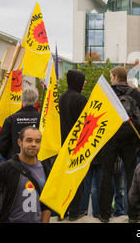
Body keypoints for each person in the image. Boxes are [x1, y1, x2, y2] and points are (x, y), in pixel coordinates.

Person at [99, 66, 140, 223]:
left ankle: (104, 213)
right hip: (130, 140)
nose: (110, 78)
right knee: (131, 176)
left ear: (116, 76)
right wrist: (138, 142)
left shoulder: (106, 93)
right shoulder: (136, 94)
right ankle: (132, 214)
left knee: (106, 175)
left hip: (110, 139)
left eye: (111, 75)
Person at [0, 126, 51, 223]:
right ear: (19, 142)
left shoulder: (45, 169)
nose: (34, 144)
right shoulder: (4, 169)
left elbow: (47, 203)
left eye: (37, 141)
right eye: (29, 140)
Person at [58, 69, 88, 221]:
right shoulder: (80, 99)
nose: (85, 83)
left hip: (63, 145)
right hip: (77, 145)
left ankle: (62, 211)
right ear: (77, 81)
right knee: (77, 179)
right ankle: (75, 212)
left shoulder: (62, 98)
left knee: (64, 179)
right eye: (83, 80)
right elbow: (86, 124)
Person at [0, 87, 41, 160]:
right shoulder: (43, 119)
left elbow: (2, 144)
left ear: (22, 100)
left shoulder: (11, 119)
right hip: (38, 160)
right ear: (36, 101)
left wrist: (10, 157)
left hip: (16, 161)